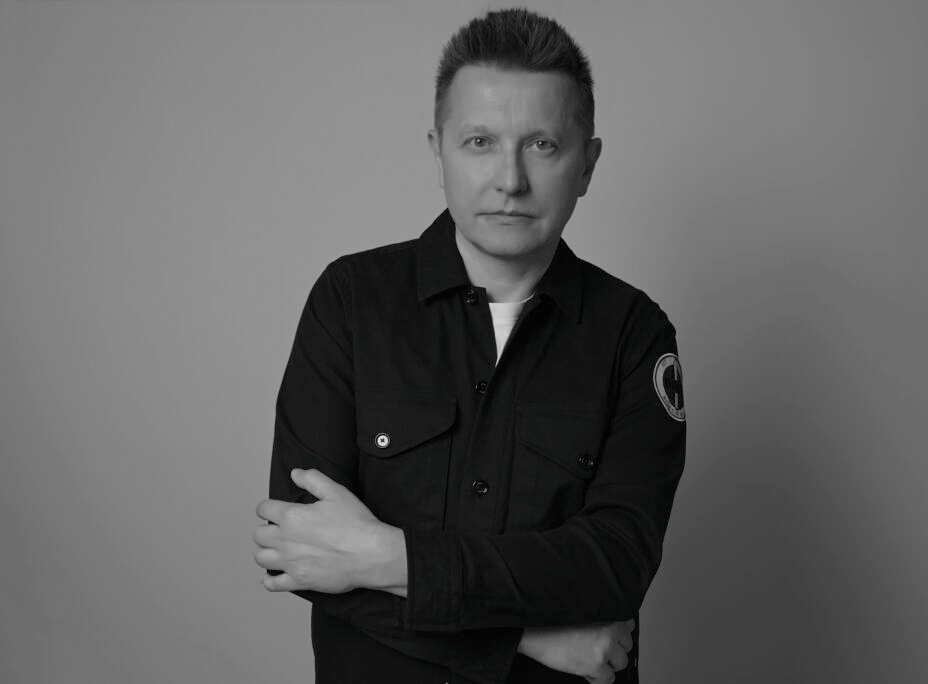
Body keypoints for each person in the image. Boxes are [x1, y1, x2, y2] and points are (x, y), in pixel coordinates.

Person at [253, 8, 686, 683]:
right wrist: (520, 638)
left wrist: (389, 559)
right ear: (439, 151)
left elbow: (615, 562)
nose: (510, 180)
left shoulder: (635, 334)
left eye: (542, 145)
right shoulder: (350, 300)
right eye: (480, 142)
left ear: (588, 163)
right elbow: (303, 551)